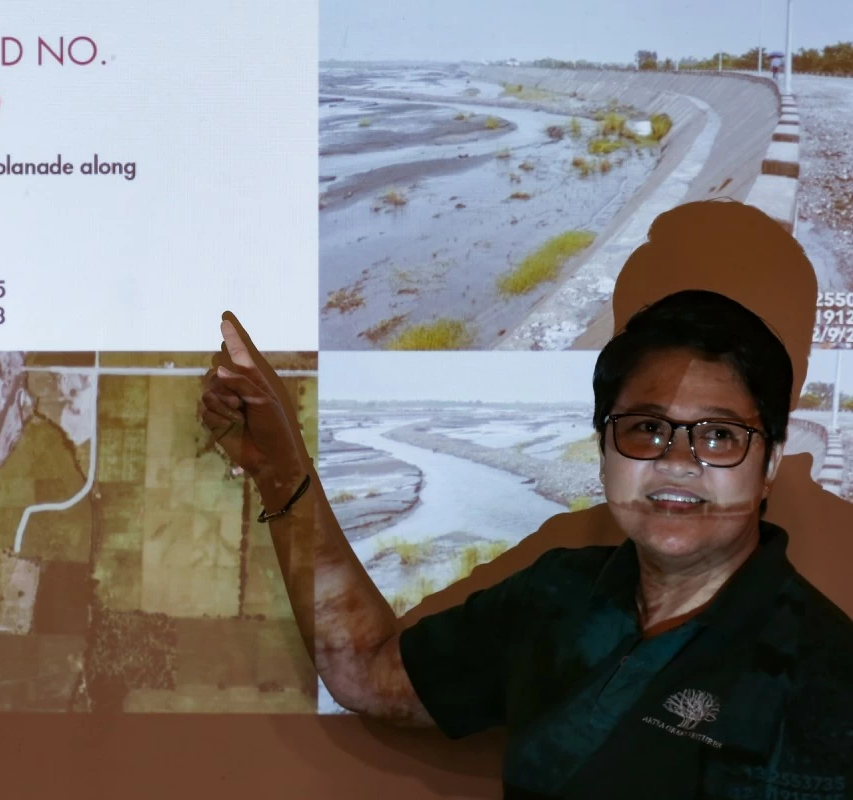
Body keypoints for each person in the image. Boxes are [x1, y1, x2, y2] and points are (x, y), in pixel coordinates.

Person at [200, 295, 853, 795]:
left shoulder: (832, 675)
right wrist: (282, 469)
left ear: (768, 464)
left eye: (718, 436)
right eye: (646, 428)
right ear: (603, 452)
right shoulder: (557, 597)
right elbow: (368, 674)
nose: (676, 462)